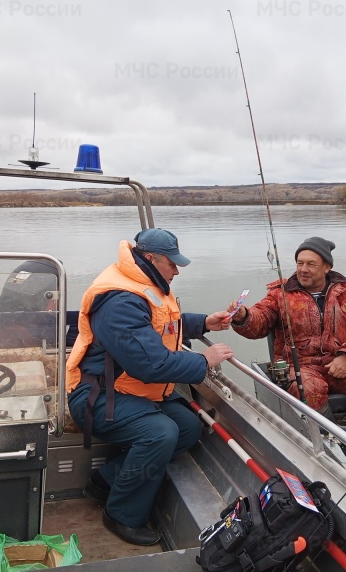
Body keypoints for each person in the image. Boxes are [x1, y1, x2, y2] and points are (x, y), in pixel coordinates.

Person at [67, 228, 234, 546]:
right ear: (149, 258)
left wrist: (202, 323)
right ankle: (121, 515)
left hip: (131, 390)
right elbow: (150, 364)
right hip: (98, 395)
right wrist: (204, 361)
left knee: (186, 426)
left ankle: (105, 481)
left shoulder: (145, 283)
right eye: (172, 263)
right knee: (159, 433)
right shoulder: (119, 300)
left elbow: (160, 323)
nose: (177, 270)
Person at [228, 236, 346, 463]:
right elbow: (260, 321)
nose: (303, 269)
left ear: (327, 267)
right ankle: (334, 455)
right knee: (307, 389)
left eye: (311, 264)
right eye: (300, 263)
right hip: (301, 368)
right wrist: (244, 317)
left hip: (343, 365)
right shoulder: (280, 293)